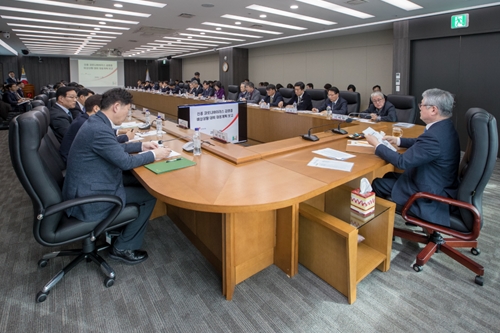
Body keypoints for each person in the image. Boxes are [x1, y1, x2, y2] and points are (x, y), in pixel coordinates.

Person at [62, 88, 172, 264]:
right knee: (149, 195)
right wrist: (155, 155)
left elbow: (111, 148)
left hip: (90, 182)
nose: (126, 114)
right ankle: (123, 247)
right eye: (127, 110)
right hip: (89, 197)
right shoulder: (98, 129)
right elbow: (125, 163)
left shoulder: (96, 122)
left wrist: (141, 147)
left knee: (139, 182)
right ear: (116, 107)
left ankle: (118, 228)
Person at [364, 88, 460, 227]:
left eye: (422, 105)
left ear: (433, 110)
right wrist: (398, 141)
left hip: (430, 194)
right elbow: (422, 143)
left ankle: (381, 231)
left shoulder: (434, 136)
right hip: (440, 182)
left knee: (378, 183)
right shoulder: (444, 127)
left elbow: (402, 162)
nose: (419, 108)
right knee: (389, 175)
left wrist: (377, 145)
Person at [59, 94, 134, 163]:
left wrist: (118, 132)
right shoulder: (84, 123)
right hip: (78, 163)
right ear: (96, 108)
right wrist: (126, 137)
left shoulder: (84, 119)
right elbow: (105, 141)